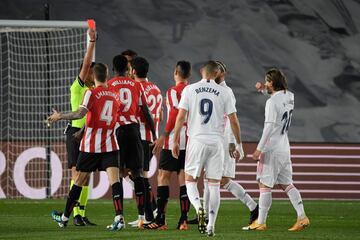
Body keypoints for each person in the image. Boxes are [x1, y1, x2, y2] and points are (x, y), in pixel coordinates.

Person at [48, 63, 125, 231]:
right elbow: (107, 117)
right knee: (115, 181)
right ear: (106, 75)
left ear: (94, 76)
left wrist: (60, 116)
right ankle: (119, 217)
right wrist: (84, 128)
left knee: (78, 182)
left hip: (91, 146)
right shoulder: (115, 94)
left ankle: (64, 218)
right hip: (110, 145)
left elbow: (80, 114)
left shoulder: (91, 93)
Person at [172, 61, 244, 237]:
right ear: (217, 72)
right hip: (216, 143)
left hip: (196, 140)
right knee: (213, 186)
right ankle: (211, 225)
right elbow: (234, 121)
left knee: (190, 181)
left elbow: (180, 117)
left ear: (201, 72)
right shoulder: (225, 92)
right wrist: (239, 145)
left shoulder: (190, 90)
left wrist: (174, 140)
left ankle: (198, 208)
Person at [249, 68, 310, 231]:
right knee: (287, 184)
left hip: (271, 148)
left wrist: (258, 149)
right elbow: (278, 100)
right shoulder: (290, 96)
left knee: (264, 185)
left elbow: (268, 128)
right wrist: (264, 90)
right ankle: (302, 217)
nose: (265, 83)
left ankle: (261, 222)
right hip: (284, 146)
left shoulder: (271, 102)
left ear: (272, 82)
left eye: (267, 81)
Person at [202, 61, 258, 226]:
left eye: (216, 71)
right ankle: (205, 216)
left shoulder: (226, 91)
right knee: (209, 178)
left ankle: (253, 206)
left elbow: (232, 120)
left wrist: (233, 144)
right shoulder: (214, 90)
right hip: (213, 140)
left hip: (224, 142)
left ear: (222, 73)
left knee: (222, 180)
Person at [108, 55, 156, 228]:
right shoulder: (136, 85)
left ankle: (119, 217)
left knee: (118, 174)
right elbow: (146, 111)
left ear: (113, 68)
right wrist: (155, 134)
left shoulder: (109, 85)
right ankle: (144, 216)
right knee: (137, 174)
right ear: (127, 69)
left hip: (118, 131)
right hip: (134, 130)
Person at [146, 61, 191, 230]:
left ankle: (161, 220)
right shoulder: (192, 91)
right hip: (190, 140)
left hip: (174, 139)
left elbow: (175, 113)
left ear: (176, 72)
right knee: (183, 179)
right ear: (189, 75)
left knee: (163, 177)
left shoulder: (174, 91)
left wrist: (164, 135)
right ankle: (184, 221)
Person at [64, 27, 96, 226]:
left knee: (86, 176)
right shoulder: (78, 86)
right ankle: (74, 213)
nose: (92, 74)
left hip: (89, 135)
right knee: (77, 175)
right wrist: (91, 42)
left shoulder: (93, 90)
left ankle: (81, 213)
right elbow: (85, 64)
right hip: (75, 132)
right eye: (90, 71)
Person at [133, 65, 163, 227]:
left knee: (140, 175)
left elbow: (140, 112)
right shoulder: (157, 89)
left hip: (141, 137)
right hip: (152, 137)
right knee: (137, 174)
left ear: (134, 71)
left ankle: (148, 214)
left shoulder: (137, 88)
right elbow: (161, 112)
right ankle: (148, 212)